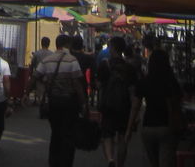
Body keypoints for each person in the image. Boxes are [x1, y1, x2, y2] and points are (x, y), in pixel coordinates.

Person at [35, 33, 89, 167]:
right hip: (69, 103)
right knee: (68, 134)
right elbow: (77, 84)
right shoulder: (72, 60)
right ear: (68, 45)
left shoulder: (47, 60)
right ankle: (66, 162)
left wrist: (25, 93)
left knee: (56, 132)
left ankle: (53, 161)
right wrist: (83, 103)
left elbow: (35, 76)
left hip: (53, 102)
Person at [129, 47, 183, 167]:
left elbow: (135, 107)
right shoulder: (171, 82)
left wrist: (128, 130)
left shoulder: (145, 81)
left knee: (153, 163)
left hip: (148, 127)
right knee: (166, 162)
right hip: (166, 127)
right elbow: (176, 105)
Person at [98, 37, 138, 167]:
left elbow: (99, 85)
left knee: (107, 135)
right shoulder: (130, 68)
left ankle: (110, 159)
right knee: (122, 137)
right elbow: (133, 91)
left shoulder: (105, 64)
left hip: (108, 105)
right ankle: (120, 164)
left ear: (113, 48)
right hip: (124, 106)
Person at [30, 37, 52, 105]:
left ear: (41, 43)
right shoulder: (52, 54)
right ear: (49, 44)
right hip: (49, 77)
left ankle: (39, 103)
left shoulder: (36, 54)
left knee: (40, 93)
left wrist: (31, 75)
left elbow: (32, 65)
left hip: (38, 76)